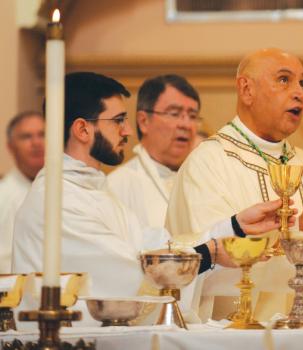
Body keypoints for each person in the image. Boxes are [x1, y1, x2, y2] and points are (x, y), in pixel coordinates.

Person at [12, 72, 288, 301]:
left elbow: (154, 245)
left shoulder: (93, 191)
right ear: (83, 130)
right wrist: (210, 253)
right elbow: (127, 273)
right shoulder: (57, 201)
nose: (127, 131)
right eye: (118, 120)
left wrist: (234, 226)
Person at [165, 48, 303, 322]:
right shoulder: (209, 162)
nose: (299, 92)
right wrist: (301, 232)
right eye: (283, 80)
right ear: (246, 89)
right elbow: (203, 265)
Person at [107, 75, 200, 228]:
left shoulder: (202, 181)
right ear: (144, 121)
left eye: (193, 116)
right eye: (174, 114)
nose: (186, 124)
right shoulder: (117, 187)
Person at [0, 111, 44, 273]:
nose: (36, 143)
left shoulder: (67, 192)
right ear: (11, 147)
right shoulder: (3, 195)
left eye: (42, 134)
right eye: (26, 137)